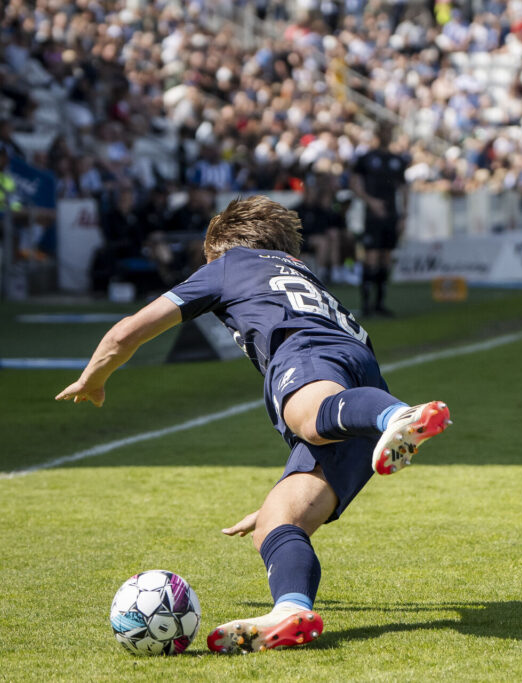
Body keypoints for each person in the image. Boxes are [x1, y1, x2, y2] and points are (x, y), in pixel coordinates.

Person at [55, 195, 452, 654]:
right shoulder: (302, 272)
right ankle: (292, 609)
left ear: (219, 249)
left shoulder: (230, 263)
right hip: (361, 376)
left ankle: (397, 416)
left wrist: (94, 378)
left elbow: (129, 330)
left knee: (306, 418)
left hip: (310, 359)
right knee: (275, 523)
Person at [350, 123, 409, 317]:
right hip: (372, 215)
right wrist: (371, 202)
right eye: (383, 131)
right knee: (371, 257)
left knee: (385, 258)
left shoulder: (397, 160)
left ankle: (380, 303)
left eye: (389, 131)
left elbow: (404, 189)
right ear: (377, 135)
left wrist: (403, 215)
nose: (386, 134)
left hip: (391, 215)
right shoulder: (366, 159)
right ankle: (366, 305)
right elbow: (355, 184)